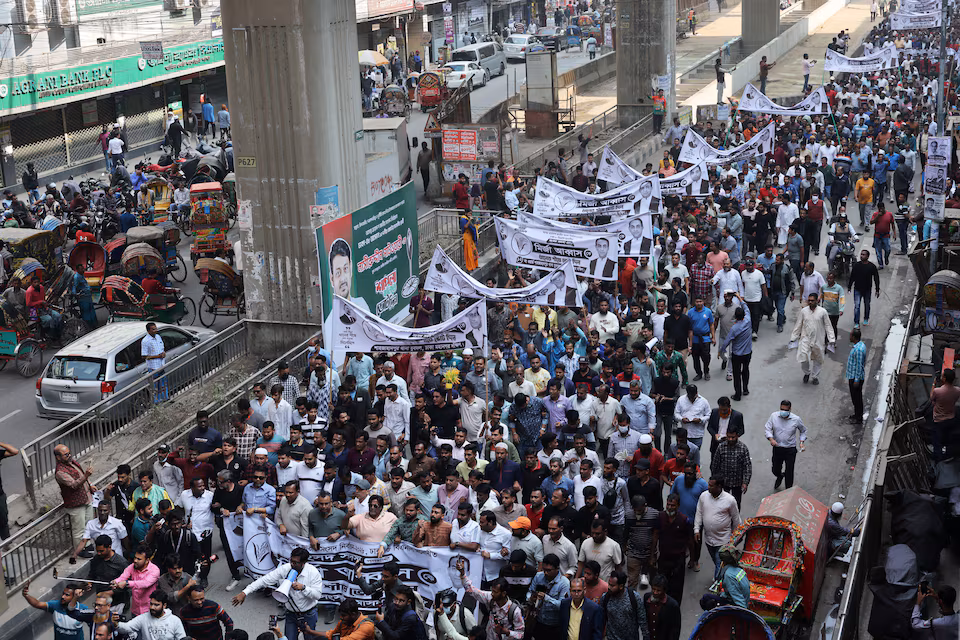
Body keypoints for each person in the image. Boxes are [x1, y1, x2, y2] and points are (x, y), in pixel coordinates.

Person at [234, 547, 324, 639]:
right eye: (291, 561)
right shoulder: (285, 569)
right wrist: (244, 592)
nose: (292, 564)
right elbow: (264, 580)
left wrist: (304, 588)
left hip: (308, 614)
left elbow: (317, 595)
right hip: (291, 613)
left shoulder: (313, 573)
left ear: (303, 563)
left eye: (295, 562)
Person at [457, 557, 525, 640]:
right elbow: (472, 590)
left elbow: (520, 634)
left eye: (495, 592)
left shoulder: (515, 611)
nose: (492, 594)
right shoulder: (490, 598)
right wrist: (462, 574)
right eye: (492, 591)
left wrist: (506, 632)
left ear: (503, 593)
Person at [694, 477, 741, 578]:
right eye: (709, 484)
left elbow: (736, 519)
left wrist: (735, 538)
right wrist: (696, 529)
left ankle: (718, 582)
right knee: (717, 562)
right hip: (709, 540)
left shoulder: (730, 500)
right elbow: (699, 512)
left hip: (724, 540)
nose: (708, 487)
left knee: (719, 565)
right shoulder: (704, 496)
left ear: (719, 486)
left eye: (711, 485)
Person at [55, 444, 95, 557]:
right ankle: (80, 550)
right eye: (66, 454)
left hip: (86, 498)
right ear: (58, 457)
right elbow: (74, 485)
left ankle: (87, 544)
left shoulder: (72, 463)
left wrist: (90, 485)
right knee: (79, 529)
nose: (69, 455)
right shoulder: (60, 472)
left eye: (69, 453)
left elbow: (80, 475)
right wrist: (86, 475)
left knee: (88, 524)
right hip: (75, 504)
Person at [789, 293, 835, 385]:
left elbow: (828, 326)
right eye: (809, 300)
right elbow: (798, 324)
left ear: (817, 301)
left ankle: (815, 376)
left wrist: (831, 339)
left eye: (812, 300)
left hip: (818, 339)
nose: (810, 302)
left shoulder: (822, 312)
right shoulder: (804, 311)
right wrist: (793, 337)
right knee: (803, 357)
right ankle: (807, 373)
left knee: (818, 359)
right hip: (805, 338)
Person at [21, 581, 89, 640]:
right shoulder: (55, 605)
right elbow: (37, 604)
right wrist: (26, 595)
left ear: (74, 597)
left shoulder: (82, 609)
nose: (63, 596)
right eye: (63, 594)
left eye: (67, 595)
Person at [765, 400, 807, 490]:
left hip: (790, 449)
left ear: (790, 409)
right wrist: (771, 439)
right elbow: (767, 428)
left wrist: (801, 442)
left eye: (785, 410)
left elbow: (803, 430)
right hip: (777, 448)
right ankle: (780, 476)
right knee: (775, 469)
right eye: (782, 409)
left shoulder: (796, 419)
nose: (783, 412)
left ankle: (788, 491)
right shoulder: (774, 416)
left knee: (789, 471)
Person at [115, 591, 186, 640]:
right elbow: (127, 627)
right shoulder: (143, 618)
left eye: (156, 605)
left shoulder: (175, 620)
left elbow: (182, 638)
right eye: (151, 604)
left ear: (164, 605)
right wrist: (116, 624)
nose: (152, 607)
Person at [699, 544, 750, 611]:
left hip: (736, 605)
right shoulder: (738, 568)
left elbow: (740, 603)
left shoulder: (728, 576)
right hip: (737, 598)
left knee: (706, 600)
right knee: (707, 597)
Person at [600, 571, 649, 640]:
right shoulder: (605, 598)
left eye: (612, 586)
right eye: (609, 584)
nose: (609, 587)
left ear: (621, 586)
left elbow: (642, 619)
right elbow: (601, 619)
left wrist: (646, 636)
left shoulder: (634, 597)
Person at [848, 249, 880, 327]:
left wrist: (877, 289)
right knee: (857, 306)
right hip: (857, 289)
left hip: (867, 290)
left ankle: (866, 319)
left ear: (867, 256)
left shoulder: (872, 266)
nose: (861, 256)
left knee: (867, 305)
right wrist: (849, 287)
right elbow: (852, 276)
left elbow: (876, 278)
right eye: (861, 254)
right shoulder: (856, 265)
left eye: (863, 254)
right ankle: (856, 322)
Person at [643, 575, 681, 640]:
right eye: (653, 589)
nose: (655, 592)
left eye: (658, 590)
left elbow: (675, 630)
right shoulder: (647, 597)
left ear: (664, 590)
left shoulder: (672, 605)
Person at [846, 328, 867, 424]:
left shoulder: (858, 350)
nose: (849, 337)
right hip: (853, 376)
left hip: (855, 377)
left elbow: (859, 366)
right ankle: (856, 414)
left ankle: (858, 418)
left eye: (850, 335)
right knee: (855, 398)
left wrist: (856, 380)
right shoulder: (859, 345)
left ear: (854, 337)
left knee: (857, 398)